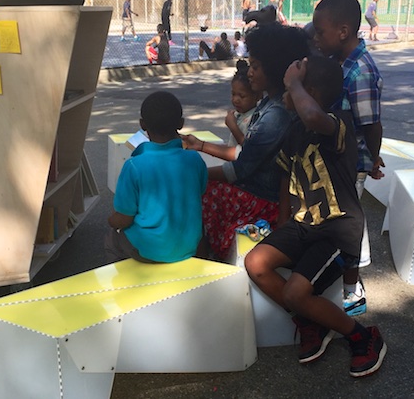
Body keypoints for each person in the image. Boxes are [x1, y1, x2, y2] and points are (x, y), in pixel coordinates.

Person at [244, 54, 387, 377]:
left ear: (310, 92)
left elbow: (312, 115)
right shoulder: (295, 130)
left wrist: (293, 83)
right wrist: (282, 222)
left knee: (296, 292)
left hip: (337, 229)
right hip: (302, 225)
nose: (284, 93)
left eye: (291, 87)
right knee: (255, 263)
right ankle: (311, 321)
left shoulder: (336, 124)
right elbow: (285, 177)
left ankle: (362, 336)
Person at [181, 23, 310, 261]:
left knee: (194, 191)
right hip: (255, 188)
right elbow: (245, 153)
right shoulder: (269, 104)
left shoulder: (276, 114)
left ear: (274, 69)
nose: (250, 72)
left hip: (260, 198)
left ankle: (200, 262)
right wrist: (200, 145)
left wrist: (197, 173)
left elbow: (240, 169)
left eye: (256, 67)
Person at [312, 0, 385, 317]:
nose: (316, 37)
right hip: (336, 161)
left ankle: (352, 289)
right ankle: (344, 279)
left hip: (351, 165)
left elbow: (371, 124)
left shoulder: (361, 71)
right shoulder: (339, 62)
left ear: (343, 31)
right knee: (345, 222)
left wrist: (373, 158)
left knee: (349, 226)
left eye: (321, 31)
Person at [105, 91, 208, 264]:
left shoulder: (134, 166)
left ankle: (123, 281)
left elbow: (123, 218)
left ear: (142, 124)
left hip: (148, 250)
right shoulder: (194, 159)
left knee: (111, 240)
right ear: (181, 124)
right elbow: (201, 191)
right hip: (190, 247)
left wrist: (111, 220)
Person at [225, 59, 260, 147]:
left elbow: (247, 147)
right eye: (233, 94)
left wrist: (233, 127)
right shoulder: (239, 114)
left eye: (242, 96)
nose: (236, 100)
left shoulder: (254, 119)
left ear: (256, 96)